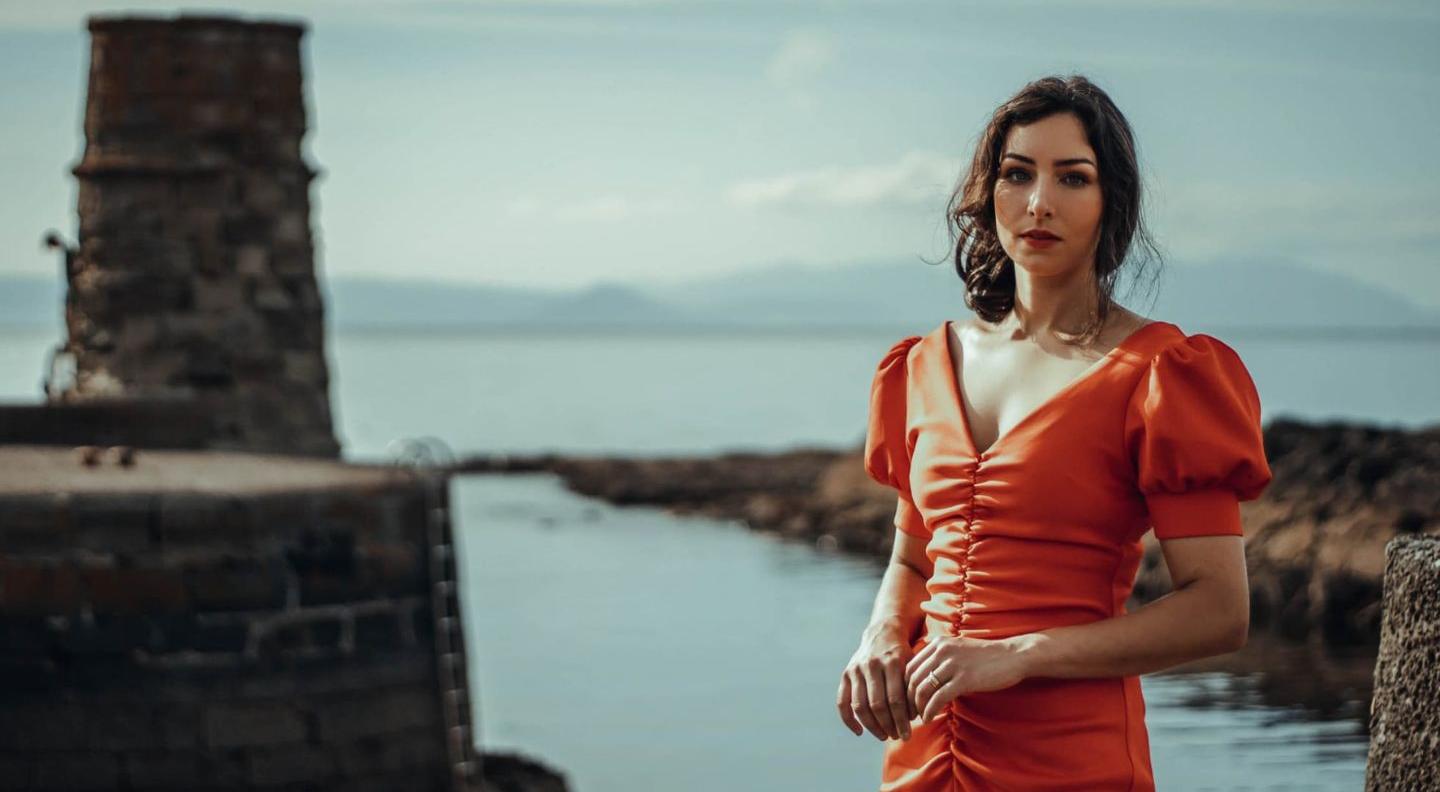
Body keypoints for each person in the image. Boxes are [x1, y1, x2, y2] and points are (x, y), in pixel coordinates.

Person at [836, 74, 1274, 791]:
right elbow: (913, 562)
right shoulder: (920, 367)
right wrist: (881, 634)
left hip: (1074, 759)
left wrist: (1019, 654)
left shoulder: (1162, 373)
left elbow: (1219, 612)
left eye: (1073, 177)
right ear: (987, 194)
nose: (1039, 203)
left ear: (1111, 204)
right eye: (1017, 174)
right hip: (923, 755)